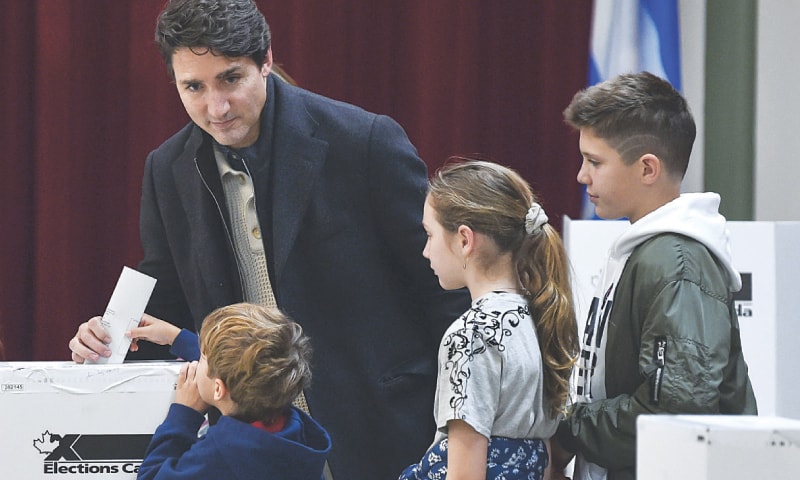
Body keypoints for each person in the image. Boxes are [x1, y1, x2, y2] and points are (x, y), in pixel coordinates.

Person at [68, 1, 469, 479]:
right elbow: (167, 305)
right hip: (252, 449)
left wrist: (463, 425)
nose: (215, 107)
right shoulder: (166, 169)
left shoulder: (364, 141)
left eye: (230, 79)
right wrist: (108, 336)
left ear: (265, 61)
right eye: (193, 86)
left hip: (382, 432)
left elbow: (446, 292)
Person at [550, 72, 758, 480]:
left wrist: (571, 429)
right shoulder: (650, 251)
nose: (581, 176)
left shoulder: (677, 262)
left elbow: (673, 410)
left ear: (647, 168)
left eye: (595, 161)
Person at [398, 158, 579, 480]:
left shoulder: (470, 335)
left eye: (429, 235)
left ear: (465, 240)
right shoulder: (541, 318)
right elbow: (548, 460)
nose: (426, 251)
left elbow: (465, 474)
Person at [137, 302, 331, 480]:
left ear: (219, 389)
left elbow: (151, 476)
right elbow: (244, 366)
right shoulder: (297, 430)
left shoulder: (217, 455)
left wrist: (184, 414)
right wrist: (175, 337)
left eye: (202, 357)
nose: (196, 362)